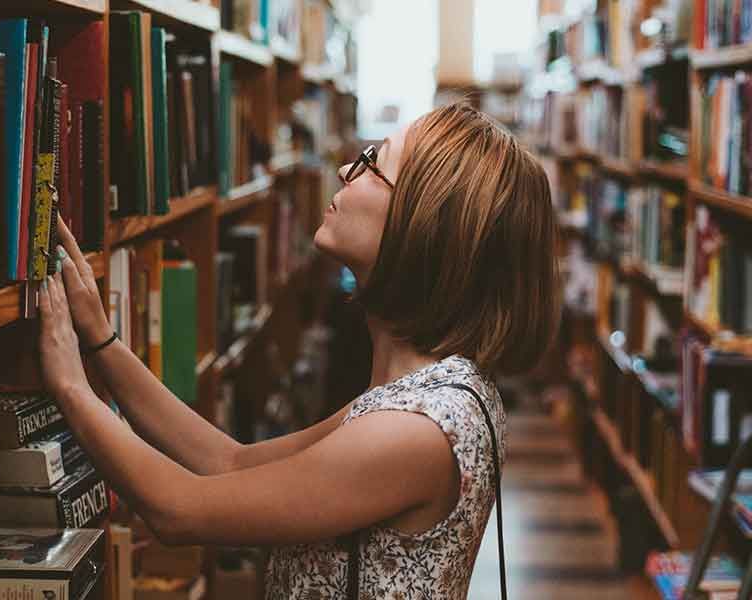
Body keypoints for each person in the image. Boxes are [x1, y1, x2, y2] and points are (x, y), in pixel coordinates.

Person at [39, 101, 559, 599]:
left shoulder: (416, 429)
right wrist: (102, 344)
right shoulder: (421, 396)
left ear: (423, 225)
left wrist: (69, 386)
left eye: (372, 162)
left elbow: (176, 510)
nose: (343, 171)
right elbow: (228, 462)